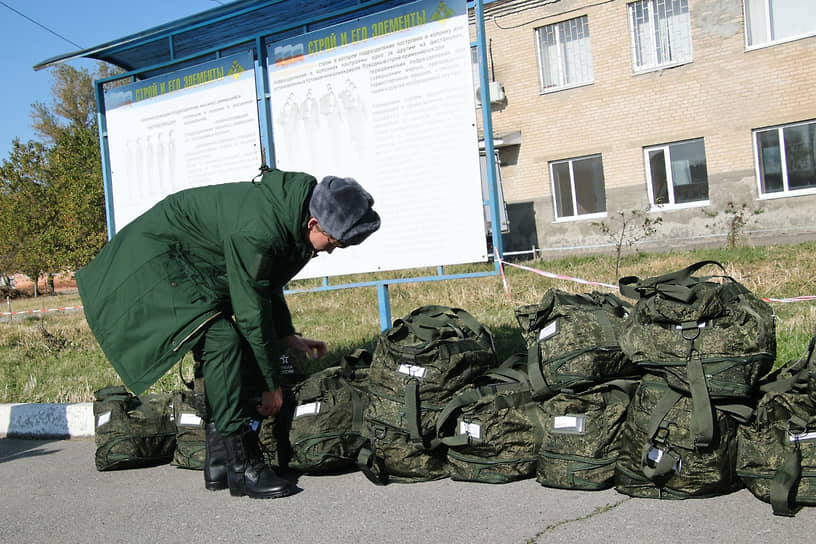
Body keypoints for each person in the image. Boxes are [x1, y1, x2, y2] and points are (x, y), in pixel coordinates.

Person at [77, 167, 380, 499]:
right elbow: (251, 312)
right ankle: (242, 466)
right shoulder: (260, 228)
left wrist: (286, 335)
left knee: (224, 346)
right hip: (154, 262)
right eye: (334, 243)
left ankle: (219, 460)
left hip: (189, 263)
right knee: (224, 342)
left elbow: (266, 280)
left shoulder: (292, 215)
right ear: (314, 223)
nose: (331, 251)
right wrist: (270, 385)